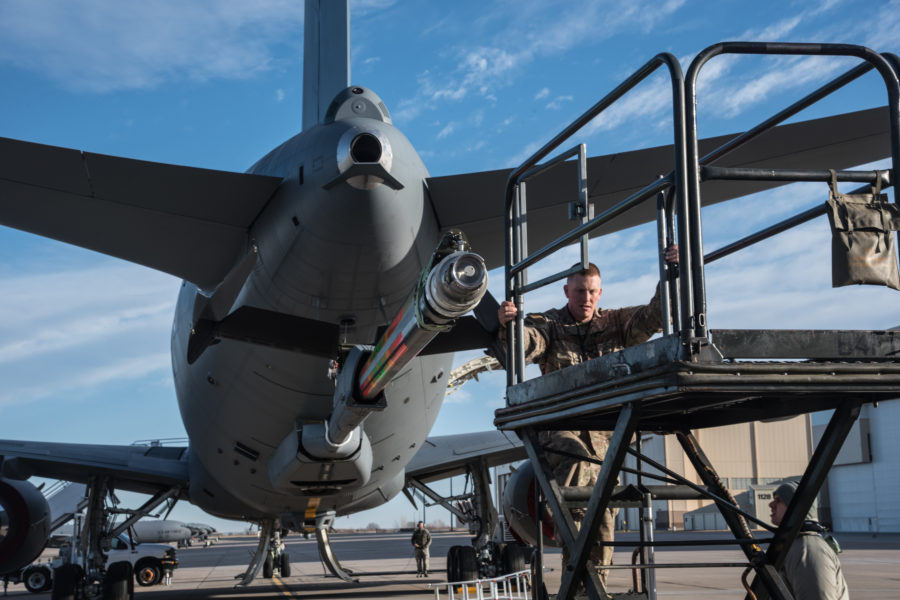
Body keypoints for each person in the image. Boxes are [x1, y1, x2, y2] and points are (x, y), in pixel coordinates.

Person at [497, 246, 678, 586]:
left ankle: (591, 585)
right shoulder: (549, 324)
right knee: (578, 469)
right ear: (567, 291)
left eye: (593, 291)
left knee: (604, 519)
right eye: (580, 291)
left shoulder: (615, 323)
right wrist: (511, 325)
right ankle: (574, 552)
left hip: (606, 440)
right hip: (562, 435)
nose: (587, 298)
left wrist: (672, 274)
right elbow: (528, 343)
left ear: (601, 292)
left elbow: (655, 316)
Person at [769, 481, 849, 600]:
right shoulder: (795, 544)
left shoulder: (807, 550)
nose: (771, 504)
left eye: (779, 500)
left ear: (795, 507)